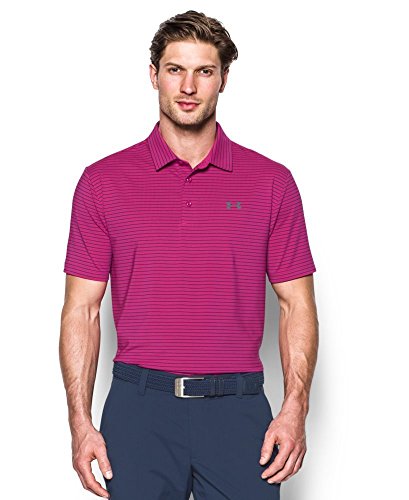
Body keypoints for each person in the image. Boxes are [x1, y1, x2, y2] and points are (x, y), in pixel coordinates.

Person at [59, 9, 319, 500]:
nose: (188, 86)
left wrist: (295, 408)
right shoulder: (102, 183)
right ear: (153, 74)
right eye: (175, 69)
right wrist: (80, 422)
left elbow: (296, 304)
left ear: (224, 79)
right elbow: (82, 310)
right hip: (139, 409)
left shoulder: (271, 182)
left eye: (204, 71)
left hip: (238, 409)